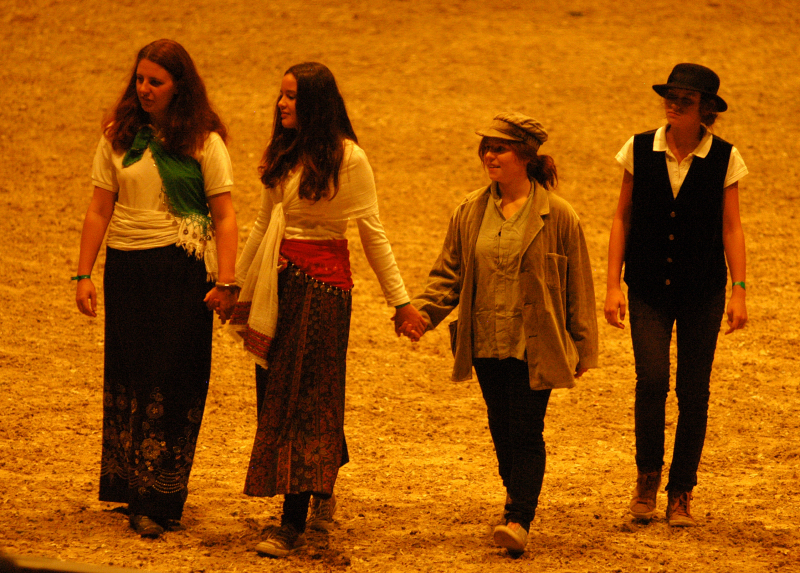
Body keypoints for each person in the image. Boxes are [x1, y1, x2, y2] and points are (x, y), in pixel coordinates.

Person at [228, 62, 417, 558]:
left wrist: (400, 302)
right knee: (282, 393)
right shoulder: (284, 154)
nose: (281, 104)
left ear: (315, 103)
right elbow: (262, 222)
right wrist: (233, 285)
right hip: (278, 287)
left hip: (324, 292)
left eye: (291, 97)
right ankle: (323, 475)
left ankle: (292, 521)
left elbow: (371, 232)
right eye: (280, 96)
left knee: (304, 400)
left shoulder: (349, 159)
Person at [396, 112, 598, 555]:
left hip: (535, 343)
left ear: (525, 157)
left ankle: (519, 517)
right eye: (486, 147)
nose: (490, 154)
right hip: (486, 338)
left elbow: (578, 284)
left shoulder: (559, 215)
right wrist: (423, 315)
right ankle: (515, 496)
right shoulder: (469, 211)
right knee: (501, 428)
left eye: (500, 147)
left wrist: (583, 345)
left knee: (526, 428)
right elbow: (449, 273)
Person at [74, 39, 238, 538]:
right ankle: (132, 488)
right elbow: (99, 208)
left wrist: (227, 282)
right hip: (127, 269)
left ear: (178, 87)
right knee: (131, 373)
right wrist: (83, 274)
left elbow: (225, 215)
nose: (144, 89)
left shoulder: (205, 141)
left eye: (156, 82)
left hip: (181, 269)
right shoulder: (117, 136)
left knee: (174, 377)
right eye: (140, 79)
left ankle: (161, 496)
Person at [604, 63, 748, 527]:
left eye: (685, 99)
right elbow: (621, 217)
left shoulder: (726, 157)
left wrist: (740, 290)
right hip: (646, 285)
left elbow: (732, 226)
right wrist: (611, 283)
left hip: (702, 289)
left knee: (693, 390)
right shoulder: (640, 148)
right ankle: (647, 480)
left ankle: (681, 490)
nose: (674, 104)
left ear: (705, 109)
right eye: (671, 96)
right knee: (650, 381)